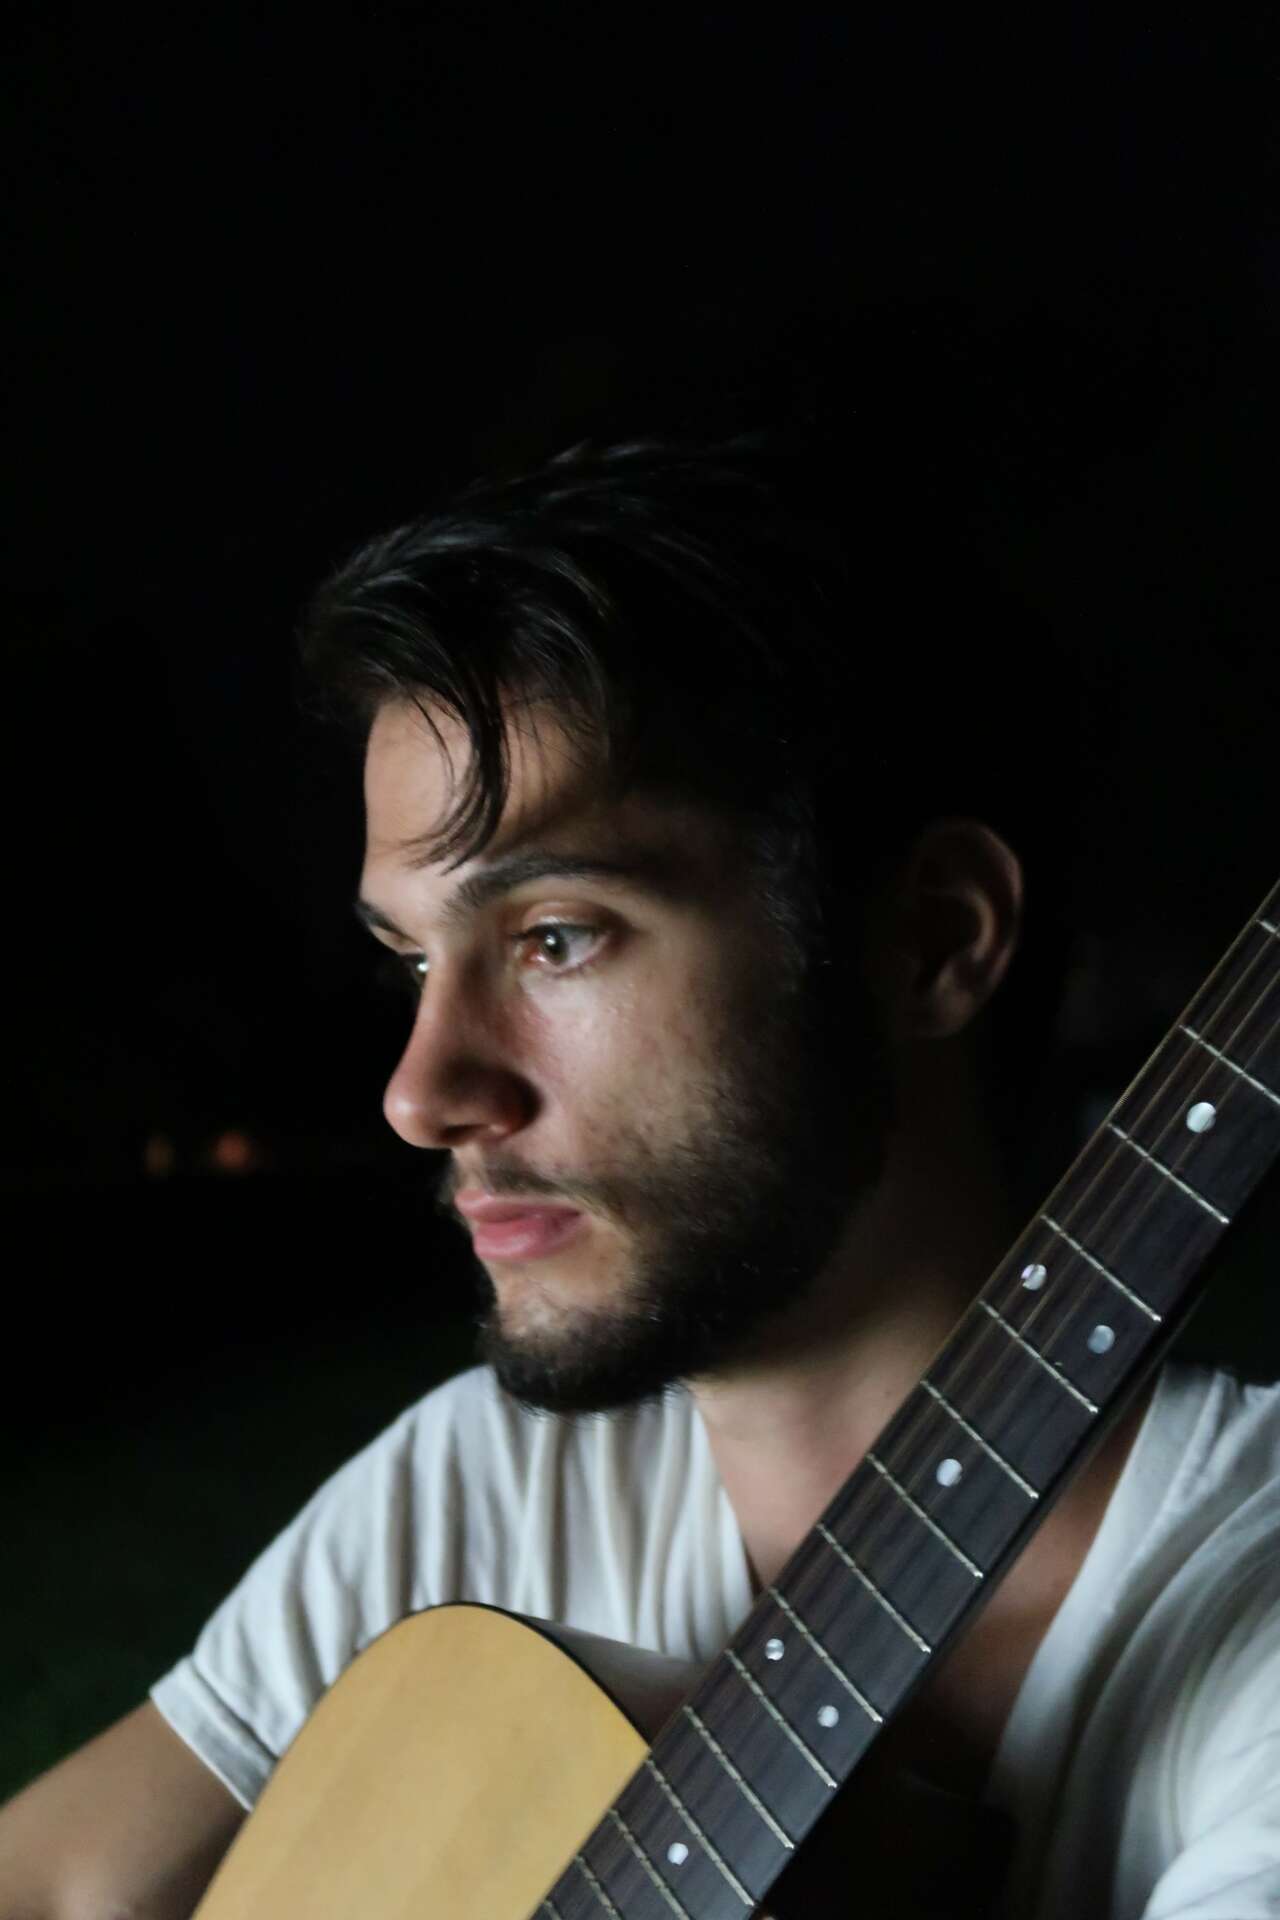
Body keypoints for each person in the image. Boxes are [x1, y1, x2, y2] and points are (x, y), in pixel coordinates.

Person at [3, 431, 1278, 1919]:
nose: (420, 1093)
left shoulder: (1247, 1612)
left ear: (931, 938)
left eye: (555, 937)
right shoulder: (485, 1491)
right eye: (412, 959)